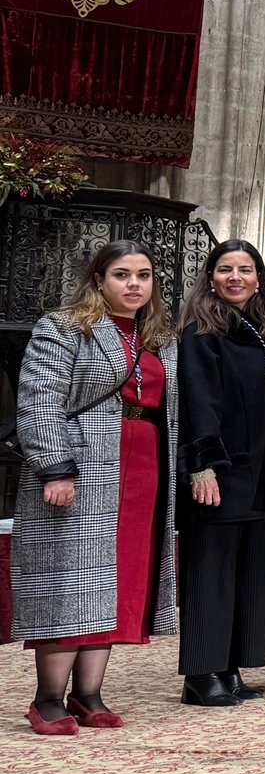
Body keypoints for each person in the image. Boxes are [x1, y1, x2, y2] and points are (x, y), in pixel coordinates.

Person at [11, 242, 180, 734]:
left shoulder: (159, 336)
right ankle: (47, 699)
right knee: (71, 580)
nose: (134, 284)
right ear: (99, 280)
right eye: (122, 275)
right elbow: (40, 399)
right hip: (82, 463)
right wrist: (54, 467)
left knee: (117, 578)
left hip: (143, 464)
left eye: (144, 275)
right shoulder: (64, 327)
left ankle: (88, 694)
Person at [176, 240, 265, 707]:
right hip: (220, 470)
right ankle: (201, 673)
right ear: (211, 277)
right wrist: (202, 465)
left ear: (258, 279)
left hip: (261, 472)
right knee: (211, 571)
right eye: (225, 269)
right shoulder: (201, 331)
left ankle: (231, 667)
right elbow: (198, 402)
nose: (235, 278)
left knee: (249, 573)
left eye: (245, 269)